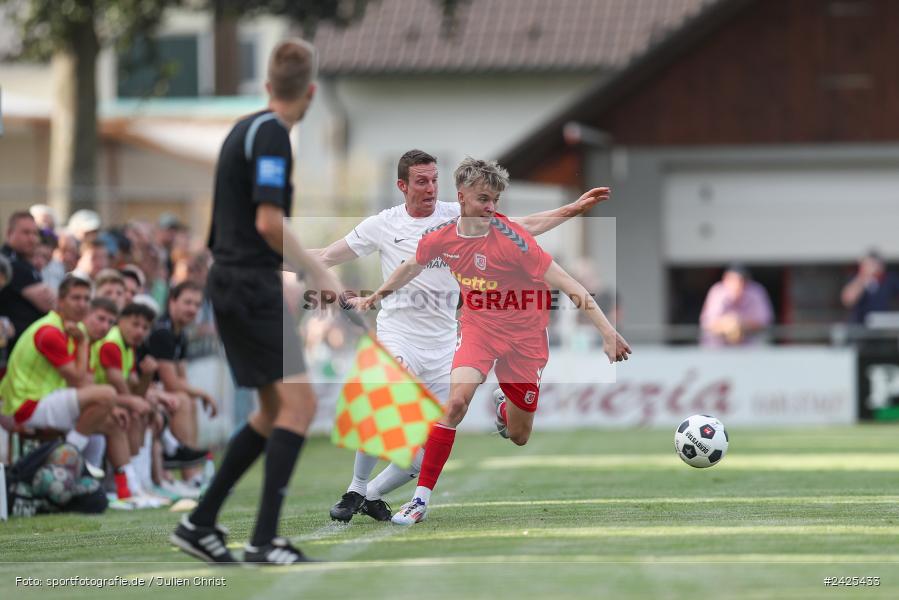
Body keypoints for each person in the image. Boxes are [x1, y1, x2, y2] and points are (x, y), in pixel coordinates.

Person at [317, 149, 612, 523]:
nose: (429, 188)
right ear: (402, 186)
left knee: (439, 447)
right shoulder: (382, 224)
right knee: (385, 397)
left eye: (434, 180)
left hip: (444, 342)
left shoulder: (460, 216)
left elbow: (522, 226)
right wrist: (274, 258)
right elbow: (326, 256)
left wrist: (570, 210)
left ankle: (372, 494)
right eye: (421, 181)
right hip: (400, 334)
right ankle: (356, 489)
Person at [171, 38, 344, 565]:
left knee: (273, 410)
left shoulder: (244, 128)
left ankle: (200, 522)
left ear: (269, 85)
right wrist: (317, 270)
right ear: (310, 93)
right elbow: (268, 223)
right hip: (248, 283)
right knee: (301, 404)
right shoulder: (272, 135)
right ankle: (264, 541)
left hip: (233, 280)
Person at [0, 275, 124, 477]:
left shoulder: (71, 329)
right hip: (23, 406)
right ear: (60, 300)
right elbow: (78, 381)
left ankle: (125, 488)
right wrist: (83, 343)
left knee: (111, 422)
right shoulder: (51, 331)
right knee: (107, 395)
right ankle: (66, 462)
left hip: (43, 400)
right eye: (76, 298)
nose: (82, 304)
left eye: (86, 299)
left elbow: (84, 382)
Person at [144, 281, 211, 480]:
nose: (192, 309)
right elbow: (172, 383)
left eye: (197, 305)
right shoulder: (163, 331)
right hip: (148, 391)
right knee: (182, 400)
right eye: (187, 302)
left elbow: (182, 377)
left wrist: (196, 394)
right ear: (172, 301)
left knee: (188, 399)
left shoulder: (180, 333)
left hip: (158, 392)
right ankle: (189, 472)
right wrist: (205, 394)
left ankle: (194, 469)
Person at [0, 212, 56, 350]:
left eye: (34, 233)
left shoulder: (25, 262)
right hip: (13, 349)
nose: (32, 238)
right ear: (9, 233)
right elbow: (48, 303)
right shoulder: (8, 263)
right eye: (26, 233)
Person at [699, 264, 773, 347]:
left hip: (750, 348)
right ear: (725, 279)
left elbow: (764, 321)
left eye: (742, 280)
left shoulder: (756, 291)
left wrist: (741, 324)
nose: (738, 284)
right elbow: (707, 323)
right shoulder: (717, 291)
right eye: (734, 280)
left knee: (763, 341)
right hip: (719, 348)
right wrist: (728, 324)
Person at [841, 250, 899, 325]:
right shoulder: (856, 279)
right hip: (860, 326)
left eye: (876, 264)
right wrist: (863, 278)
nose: (874, 267)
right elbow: (848, 300)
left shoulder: (889, 280)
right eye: (871, 264)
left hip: (882, 325)